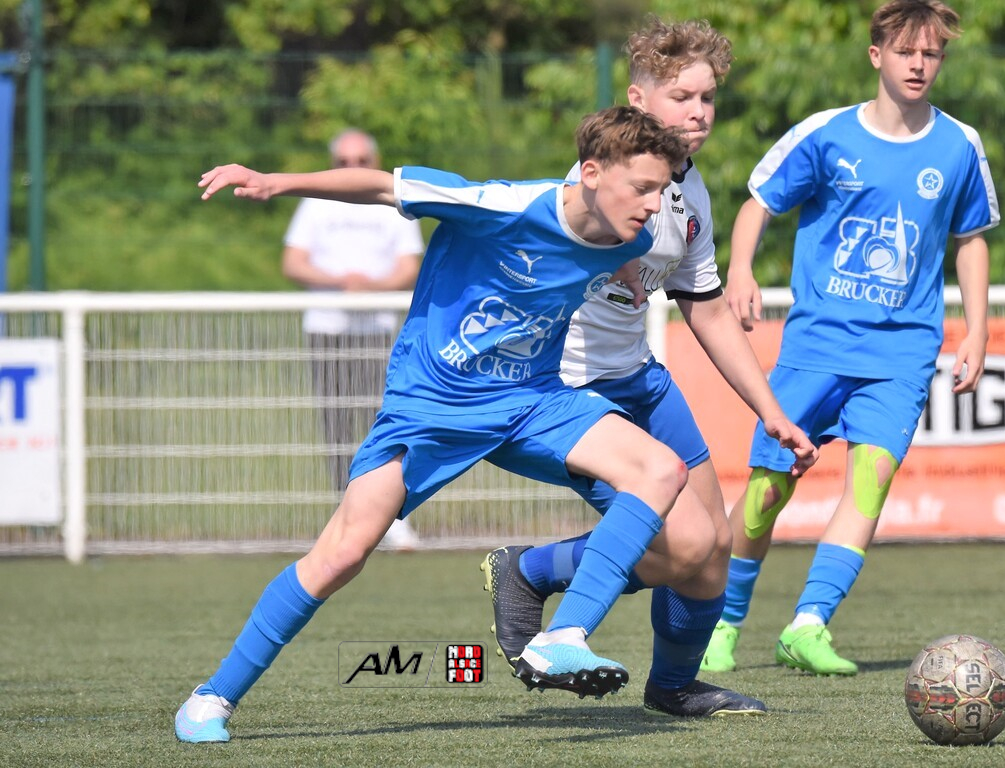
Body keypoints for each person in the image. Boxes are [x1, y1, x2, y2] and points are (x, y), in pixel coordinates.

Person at [174, 106, 697, 744]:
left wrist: (631, 281)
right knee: (342, 554)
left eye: (662, 189)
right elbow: (381, 185)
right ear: (590, 173)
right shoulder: (502, 206)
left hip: (533, 402)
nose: (654, 204)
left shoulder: (633, 235)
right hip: (433, 407)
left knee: (661, 469)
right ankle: (212, 697)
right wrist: (276, 181)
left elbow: (619, 256)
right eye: (642, 188)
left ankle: (564, 634)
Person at [481, 18, 817, 718]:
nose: (699, 112)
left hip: (640, 379)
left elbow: (708, 310)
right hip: (571, 388)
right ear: (637, 100)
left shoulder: (692, 193)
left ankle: (674, 687)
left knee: (715, 545)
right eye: (681, 97)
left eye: (708, 97)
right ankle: (531, 571)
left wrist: (772, 413)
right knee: (683, 546)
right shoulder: (600, 180)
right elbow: (547, 242)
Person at [701, 0, 998, 676]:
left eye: (931, 54)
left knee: (871, 481)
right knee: (767, 492)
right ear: (876, 56)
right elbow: (759, 203)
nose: (919, 64)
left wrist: (979, 329)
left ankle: (808, 625)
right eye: (906, 52)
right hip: (817, 347)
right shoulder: (827, 134)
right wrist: (740, 269)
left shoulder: (959, 145)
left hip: (902, 354)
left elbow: (971, 239)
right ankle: (722, 622)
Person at [283, 128, 424, 550]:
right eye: (344, 162)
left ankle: (391, 518)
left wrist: (370, 287)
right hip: (326, 329)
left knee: (385, 422)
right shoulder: (315, 204)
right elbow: (293, 262)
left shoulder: (394, 207)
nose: (352, 169)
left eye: (361, 161)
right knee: (337, 425)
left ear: (375, 162)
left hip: (379, 331)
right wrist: (340, 282)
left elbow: (409, 266)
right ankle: (347, 517)